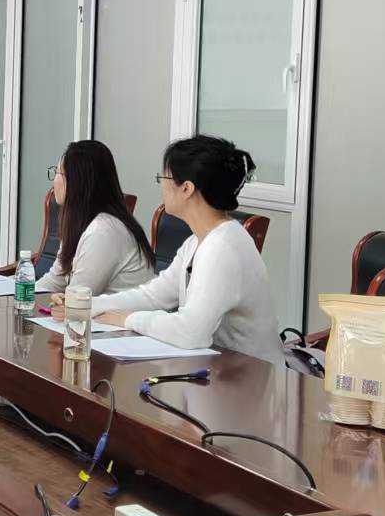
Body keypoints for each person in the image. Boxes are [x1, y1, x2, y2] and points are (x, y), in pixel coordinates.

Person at [65, 135, 281, 364]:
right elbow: (153, 295)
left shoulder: (222, 247)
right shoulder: (197, 242)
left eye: (164, 177)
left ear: (186, 188)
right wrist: (86, 305)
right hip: (222, 368)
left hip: (252, 374)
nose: (161, 184)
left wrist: (129, 320)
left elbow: (191, 331)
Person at [34, 140, 154, 296]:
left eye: (57, 172)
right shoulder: (79, 223)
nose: (54, 180)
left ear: (76, 182)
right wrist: (18, 296)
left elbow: (77, 299)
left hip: (121, 312)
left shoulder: (103, 232)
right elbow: (55, 281)